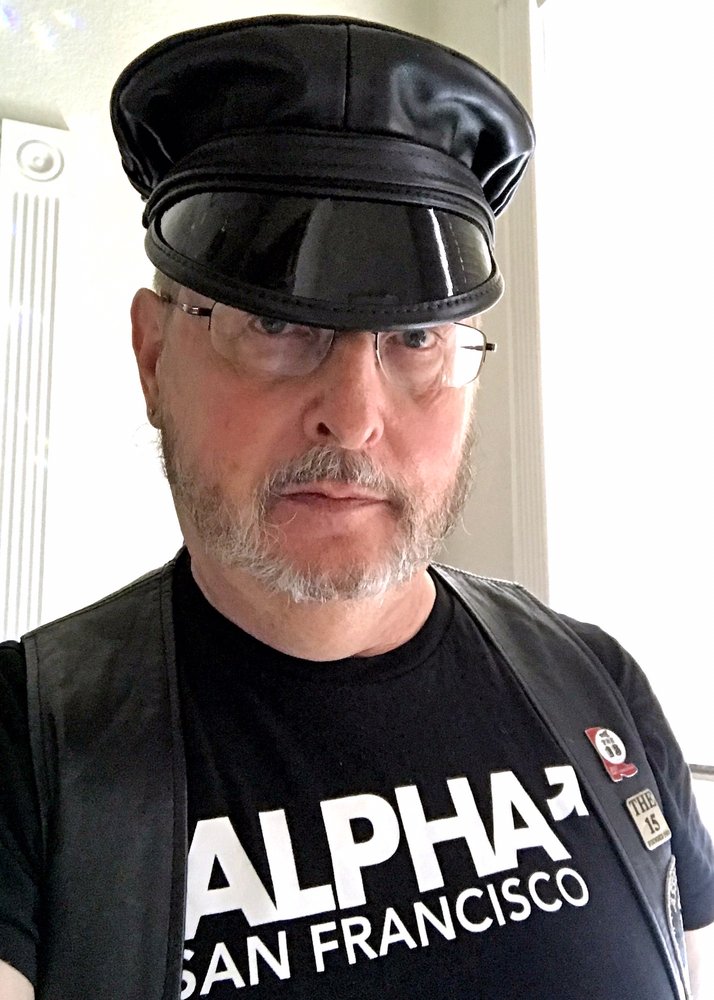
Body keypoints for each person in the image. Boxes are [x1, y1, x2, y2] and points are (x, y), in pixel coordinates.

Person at [1, 14, 713, 1000]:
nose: (355, 414)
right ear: (155, 356)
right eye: (278, 322)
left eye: (416, 336)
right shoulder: (28, 755)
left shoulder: (598, 683)